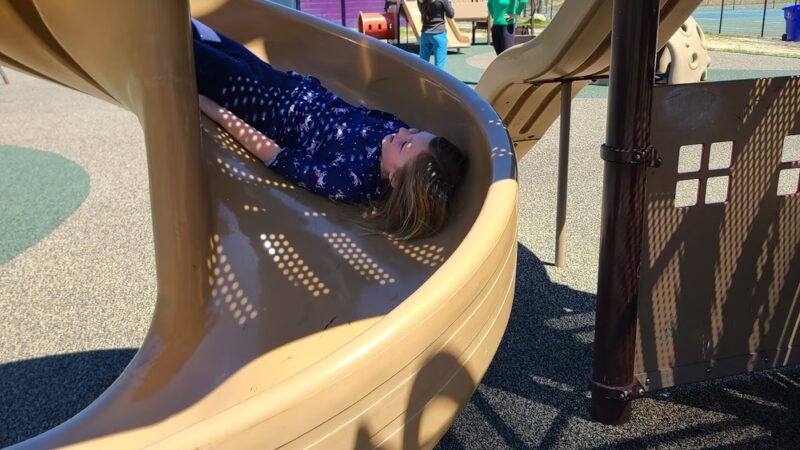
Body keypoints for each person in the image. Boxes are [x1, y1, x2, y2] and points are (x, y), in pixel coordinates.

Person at [191, 20, 467, 240]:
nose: (405, 133)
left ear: (394, 179)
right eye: (416, 132)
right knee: (212, 39)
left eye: (407, 145)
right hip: (283, 82)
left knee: (193, 53)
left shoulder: (352, 181)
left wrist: (210, 107)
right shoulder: (393, 131)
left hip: (262, 107)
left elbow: (275, 154)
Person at [418, 0, 455, 69]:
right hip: (439, 33)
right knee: (439, 67)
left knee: (422, 65)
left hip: (425, 33)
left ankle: (420, 79)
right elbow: (451, 14)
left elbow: (422, 12)